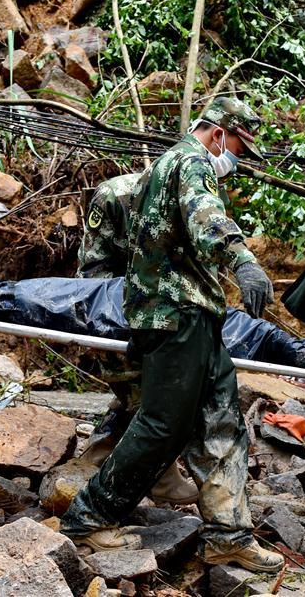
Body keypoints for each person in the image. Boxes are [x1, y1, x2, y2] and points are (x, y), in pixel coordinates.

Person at [60, 97, 283, 572]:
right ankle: (90, 516)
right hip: (172, 312)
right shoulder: (188, 161)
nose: (240, 159)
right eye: (241, 147)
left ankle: (228, 533)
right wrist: (243, 260)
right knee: (163, 424)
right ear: (219, 133)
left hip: (196, 313)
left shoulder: (176, 166)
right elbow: (206, 220)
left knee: (222, 420)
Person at [76, 172, 199, 505]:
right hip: (115, 305)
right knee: (148, 390)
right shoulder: (115, 197)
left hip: (163, 305)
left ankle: (101, 452)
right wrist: (122, 323)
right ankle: (158, 476)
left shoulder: (197, 202)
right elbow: (93, 271)